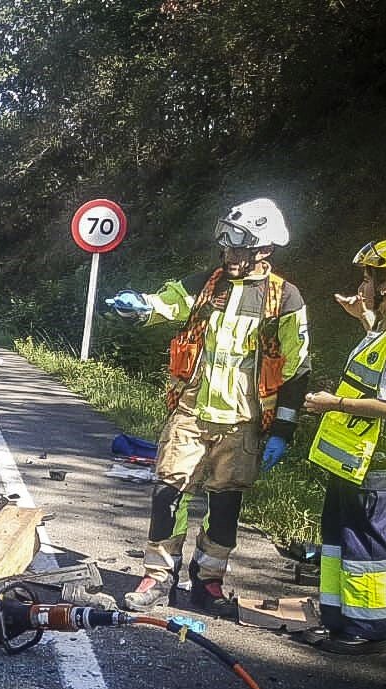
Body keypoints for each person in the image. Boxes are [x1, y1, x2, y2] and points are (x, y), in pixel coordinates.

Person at [104, 199, 310, 615]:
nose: (229, 255)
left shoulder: (285, 298)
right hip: (192, 410)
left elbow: (298, 368)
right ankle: (158, 577)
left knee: (226, 505)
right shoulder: (207, 283)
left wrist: (283, 431)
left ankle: (208, 581)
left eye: (240, 248)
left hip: (243, 422)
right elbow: (167, 303)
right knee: (168, 492)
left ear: (264, 250)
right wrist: (139, 307)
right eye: (227, 247)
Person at [301, 239, 386, 655]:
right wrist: (364, 317)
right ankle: (339, 620)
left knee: (364, 546)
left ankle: (370, 632)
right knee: (340, 541)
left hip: (372, 463)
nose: (363, 283)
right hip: (352, 460)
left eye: (369, 278)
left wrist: (332, 404)